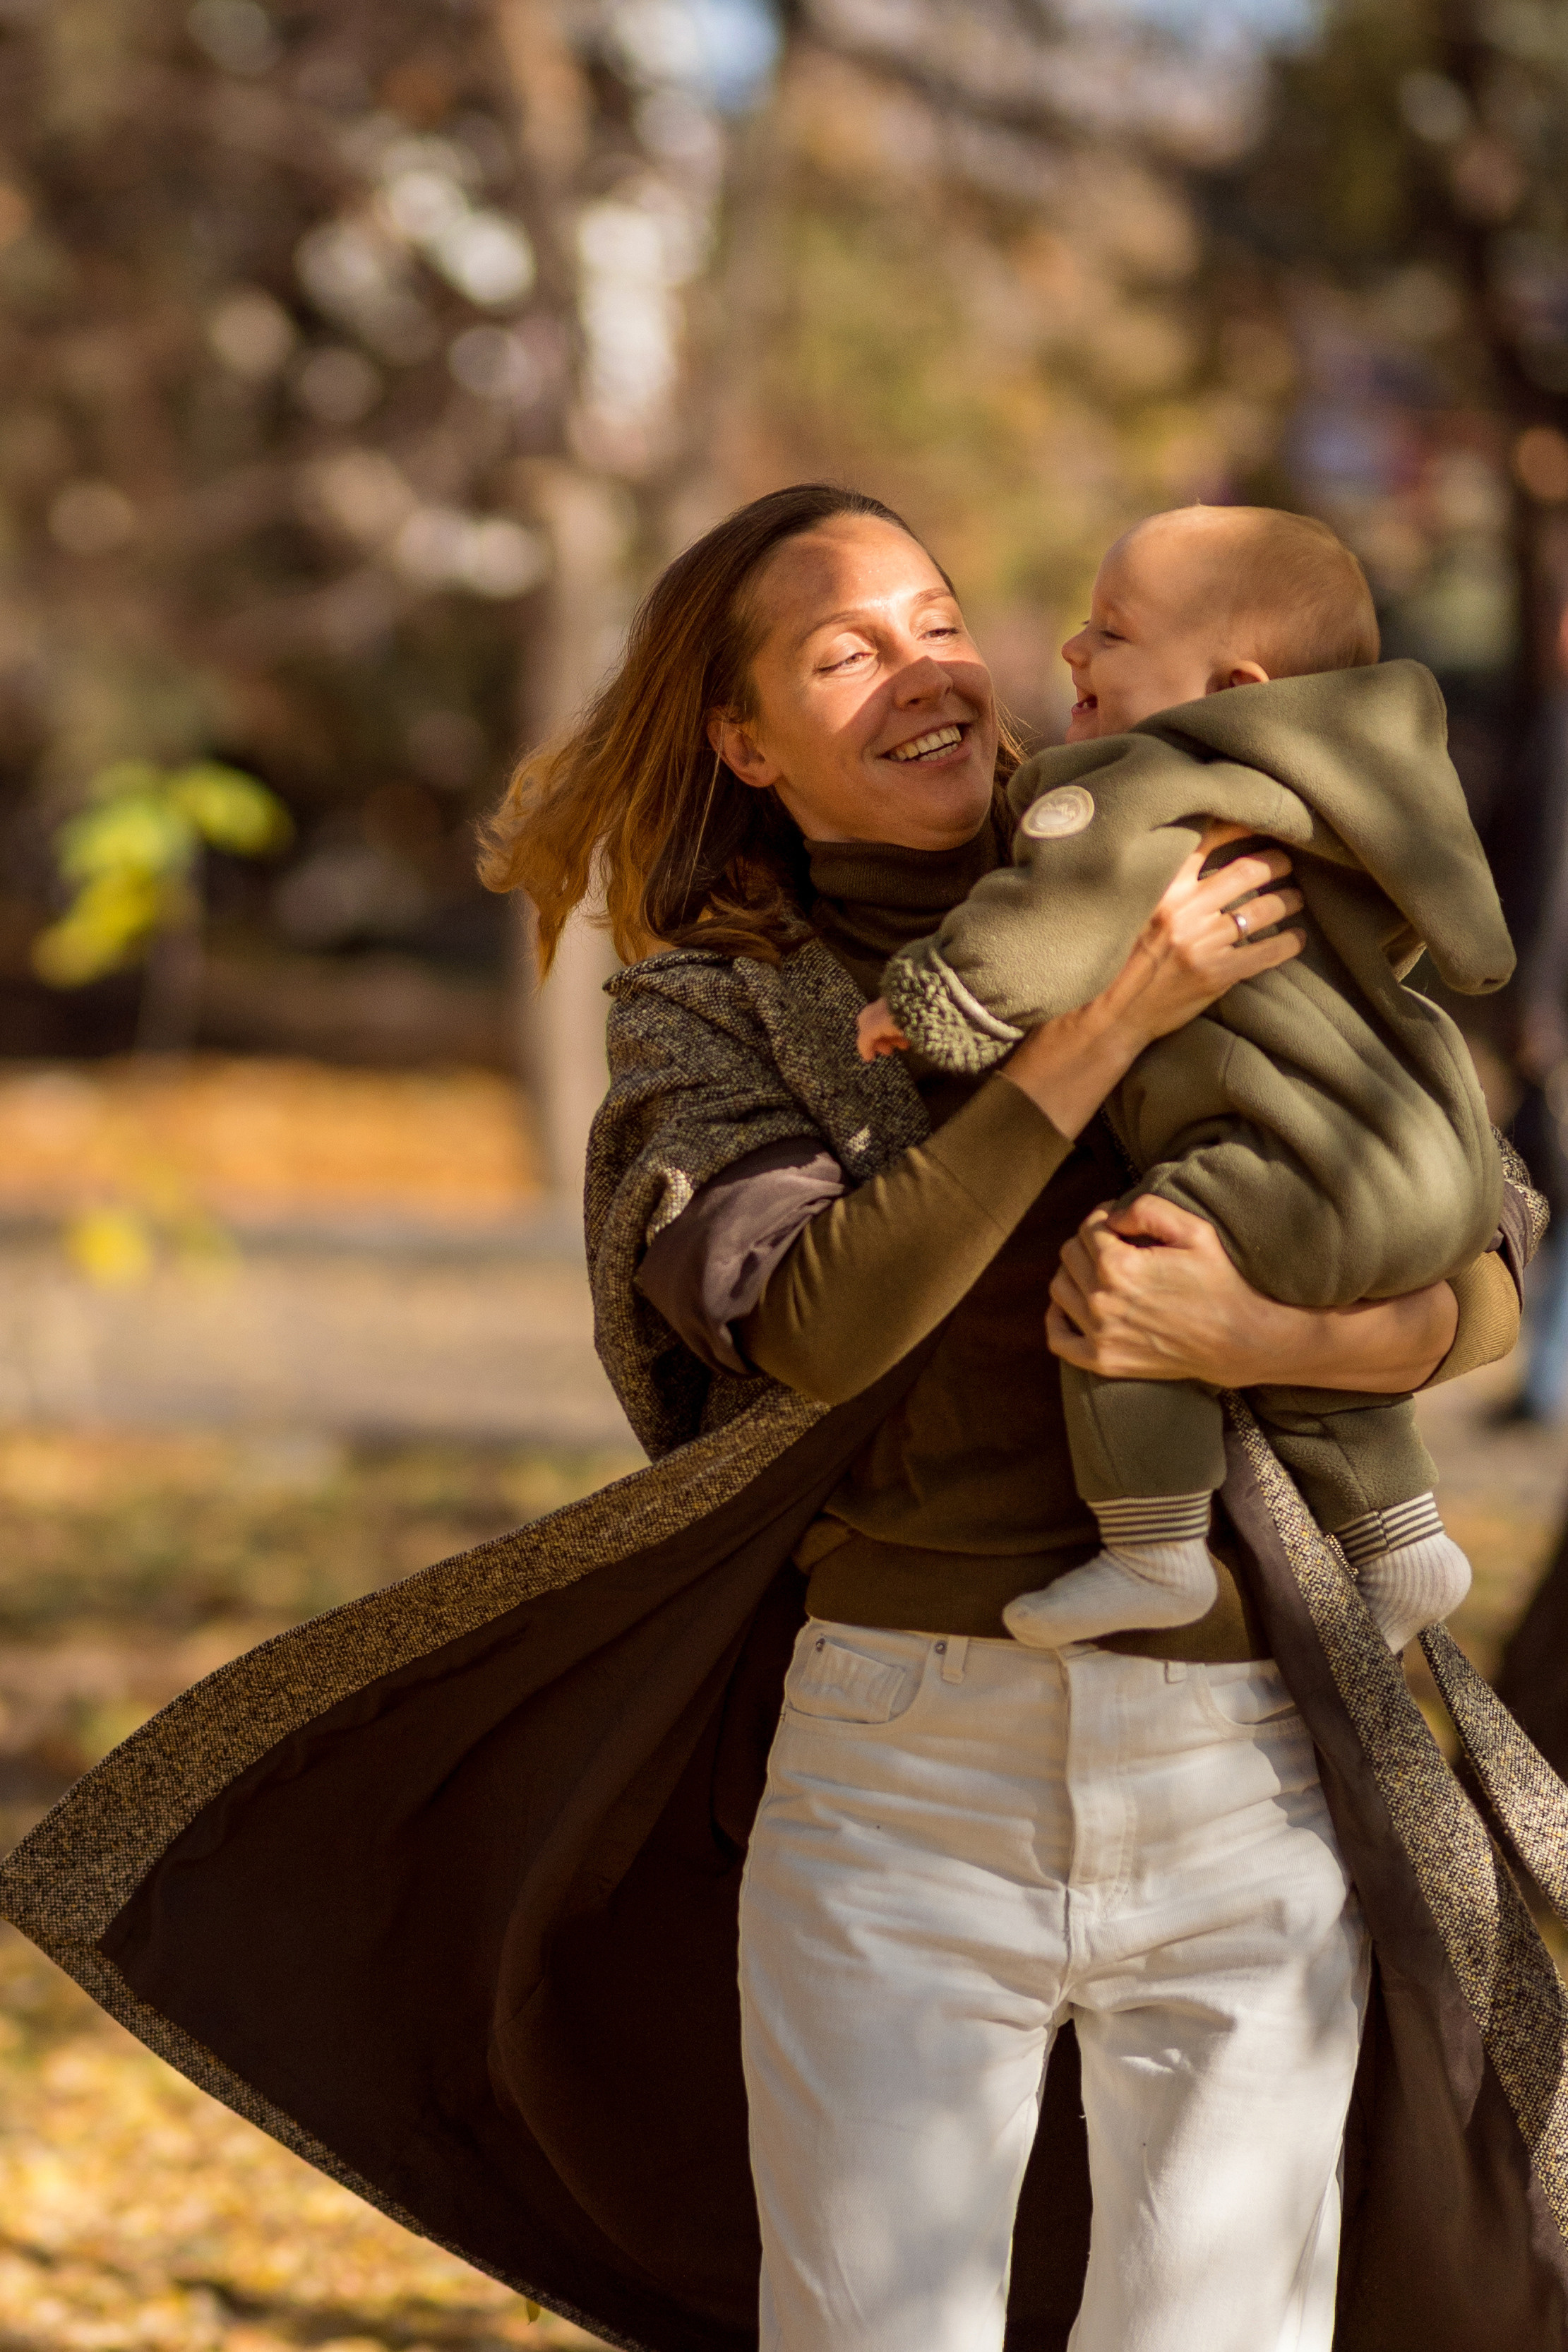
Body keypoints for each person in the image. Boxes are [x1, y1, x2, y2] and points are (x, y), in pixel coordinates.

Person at [0, 484, 1561, 2352]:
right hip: (903, 1780)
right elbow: (816, 1323)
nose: (926, 669)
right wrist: (1102, 1024)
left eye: (936, 619)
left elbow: (1477, 1232)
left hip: (1243, 1762)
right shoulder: (715, 1013)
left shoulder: (1188, 841)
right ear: (745, 742)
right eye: (844, 652)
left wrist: (1280, 1330)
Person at [857, 505, 1509, 1659]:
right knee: (1300, 1291)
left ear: (1229, 686)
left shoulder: (1150, 778)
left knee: (1132, 1265)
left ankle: (1150, 1545)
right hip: (1438, 1162)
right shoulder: (1360, 791)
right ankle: (1404, 1540)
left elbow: (1049, 924)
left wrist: (930, 1004)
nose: (1074, 649)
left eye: (1111, 633)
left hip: (1294, 1155)